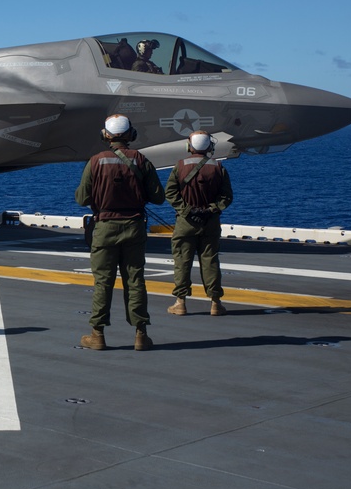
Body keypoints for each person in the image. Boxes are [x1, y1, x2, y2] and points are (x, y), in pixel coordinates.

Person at [75, 114, 164, 351]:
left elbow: (82, 198)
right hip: (134, 227)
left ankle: (97, 335)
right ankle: (140, 335)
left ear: (105, 135)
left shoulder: (95, 161)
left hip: (104, 228)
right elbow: (158, 197)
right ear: (131, 135)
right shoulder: (141, 161)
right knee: (135, 280)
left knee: (103, 282)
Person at [165, 130, 233, 317]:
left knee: (182, 262)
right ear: (209, 146)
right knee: (210, 261)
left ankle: (180, 303)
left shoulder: (180, 166)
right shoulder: (219, 167)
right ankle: (215, 303)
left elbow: (171, 193)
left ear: (190, 146)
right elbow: (226, 197)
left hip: (186, 223)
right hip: (210, 222)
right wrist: (210, 209)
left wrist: (188, 211)